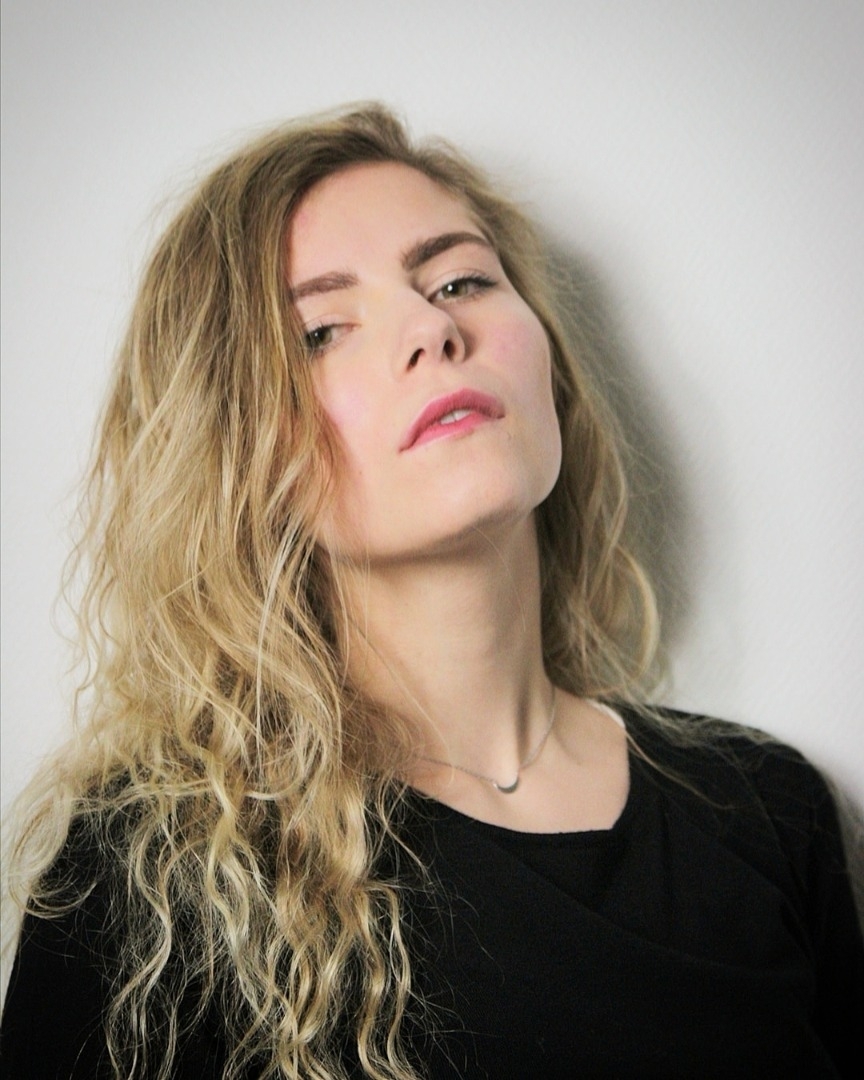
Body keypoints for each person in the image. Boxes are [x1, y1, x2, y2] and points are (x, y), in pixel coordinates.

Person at [1, 103, 861, 1080]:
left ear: (549, 363)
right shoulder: (149, 881)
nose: (433, 328)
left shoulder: (770, 811)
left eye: (460, 280)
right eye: (322, 330)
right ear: (239, 453)